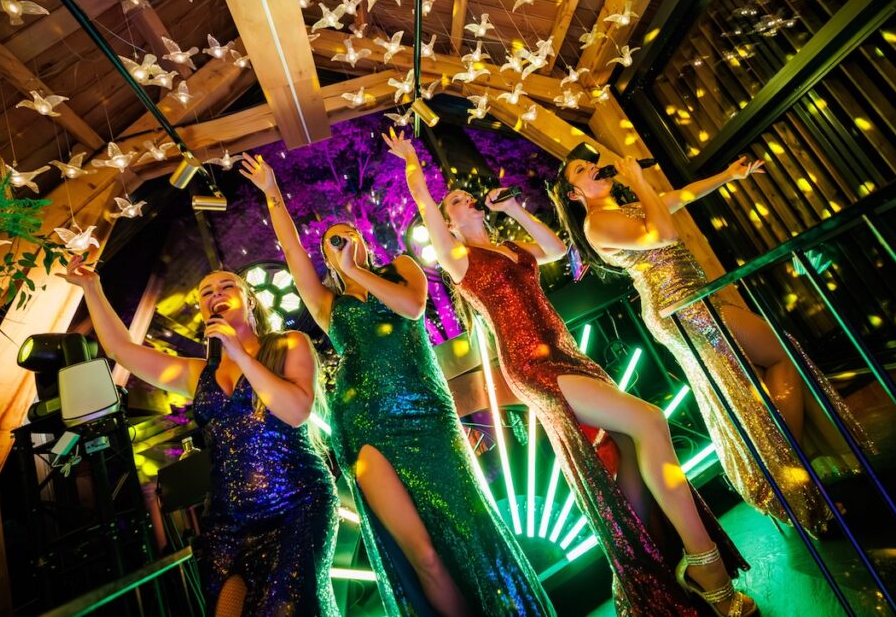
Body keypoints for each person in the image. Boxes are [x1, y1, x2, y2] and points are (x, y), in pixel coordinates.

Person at [391, 128, 755, 617]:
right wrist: (412, 161)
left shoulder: (514, 247)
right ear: (449, 226)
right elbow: (425, 204)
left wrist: (514, 209)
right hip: (532, 366)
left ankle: (655, 563)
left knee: (628, 447)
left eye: (465, 195)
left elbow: (557, 249)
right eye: (454, 202)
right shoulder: (460, 259)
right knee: (649, 420)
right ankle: (703, 563)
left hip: (567, 354)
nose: (466, 199)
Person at [240, 153, 553, 616]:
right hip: (364, 425)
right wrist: (271, 191)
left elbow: (411, 308)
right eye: (332, 243)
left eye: (349, 236)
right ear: (325, 259)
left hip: (427, 414)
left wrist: (356, 270)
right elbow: (290, 250)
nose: (343, 243)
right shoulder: (327, 304)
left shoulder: (403, 268)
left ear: (364, 243)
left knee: (466, 525)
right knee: (421, 554)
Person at [550, 145, 873, 533]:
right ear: (574, 194)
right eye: (581, 170)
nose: (593, 168)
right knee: (762, 374)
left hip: (699, 298)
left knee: (761, 379)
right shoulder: (597, 224)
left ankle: (787, 464)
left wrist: (729, 175)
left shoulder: (631, 207)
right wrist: (638, 180)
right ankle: (787, 468)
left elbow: (683, 196)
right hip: (680, 310)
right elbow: (663, 233)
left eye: (591, 163)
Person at [60, 258, 339, 616]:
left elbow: (296, 411)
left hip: (295, 504)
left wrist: (238, 352)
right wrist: (92, 288)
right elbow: (121, 350)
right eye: (206, 292)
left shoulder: (288, 344)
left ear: (250, 300)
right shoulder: (197, 374)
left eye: (226, 286)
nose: (215, 294)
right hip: (228, 520)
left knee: (285, 608)